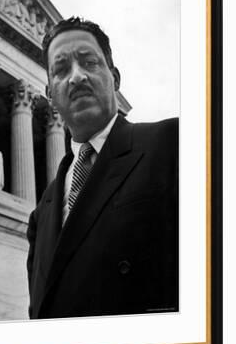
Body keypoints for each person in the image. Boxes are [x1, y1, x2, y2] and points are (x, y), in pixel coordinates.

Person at [27, 17, 178, 319]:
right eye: (61, 70)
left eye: (89, 62)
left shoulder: (173, 144)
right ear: (50, 96)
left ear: (115, 78)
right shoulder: (41, 212)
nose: (76, 77)